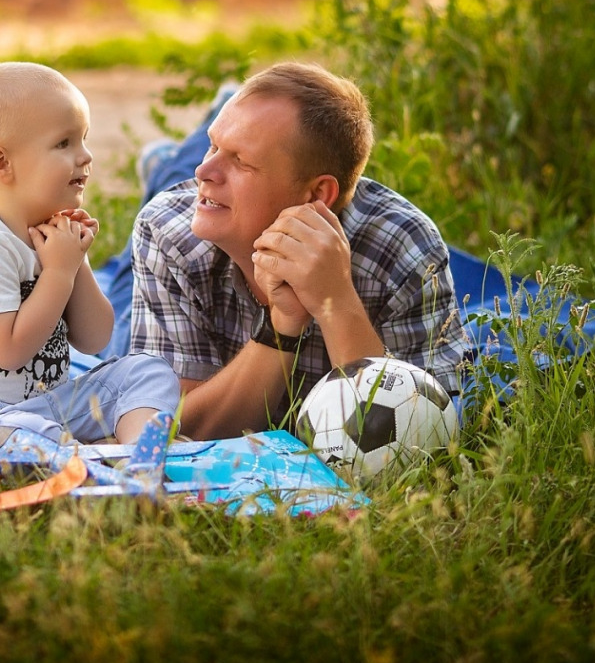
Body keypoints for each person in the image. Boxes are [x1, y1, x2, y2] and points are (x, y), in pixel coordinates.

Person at [129, 62, 467, 440]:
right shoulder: (166, 230)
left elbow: (416, 441)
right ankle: (167, 158)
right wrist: (281, 327)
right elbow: (173, 433)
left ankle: (181, 148)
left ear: (316, 195)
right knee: (170, 184)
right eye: (213, 145)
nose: (204, 170)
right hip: (186, 250)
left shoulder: (401, 246)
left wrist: (335, 301)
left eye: (241, 161)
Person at [0, 62, 179, 449]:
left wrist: (74, 266)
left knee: (147, 371)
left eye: (84, 139)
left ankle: (135, 455)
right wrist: (58, 273)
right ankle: (78, 457)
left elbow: (94, 339)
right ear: (2, 164)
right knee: (10, 436)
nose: (85, 156)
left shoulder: (56, 236)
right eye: (64, 143)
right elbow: (8, 352)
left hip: (47, 405)